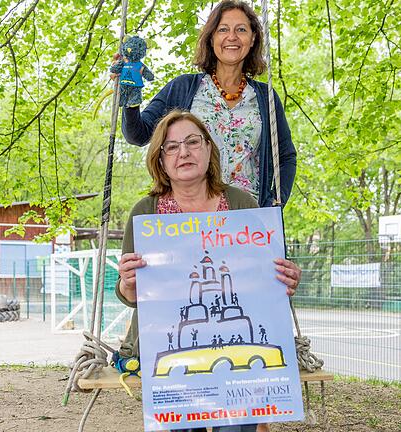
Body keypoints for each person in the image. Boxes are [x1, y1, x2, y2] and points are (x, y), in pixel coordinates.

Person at [115, 110, 301, 432]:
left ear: (209, 149)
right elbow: (129, 294)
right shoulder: (146, 213)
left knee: (238, 423)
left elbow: (267, 277)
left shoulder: (241, 203)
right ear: (160, 161)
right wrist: (128, 286)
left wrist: (285, 278)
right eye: (171, 147)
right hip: (169, 341)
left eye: (192, 142)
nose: (183, 152)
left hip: (238, 333)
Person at [120, 0, 296, 209]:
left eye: (241, 29)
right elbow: (137, 135)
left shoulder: (265, 97)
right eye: (223, 29)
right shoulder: (183, 88)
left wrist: (273, 205)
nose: (232, 37)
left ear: (253, 39)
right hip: (193, 217)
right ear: (212, 38)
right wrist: (130, 95)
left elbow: (285, 157)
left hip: (249, 219)